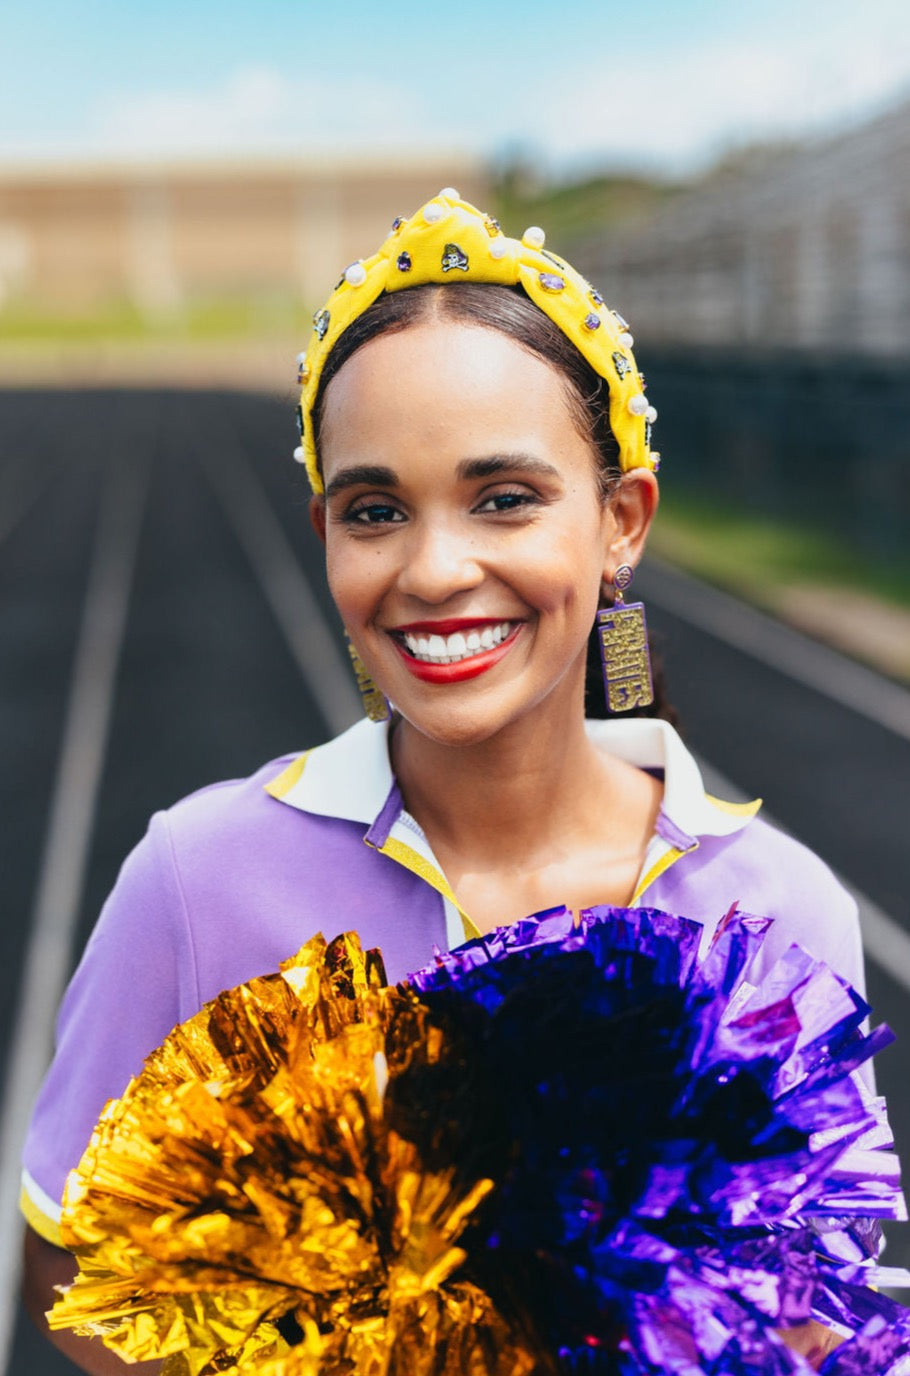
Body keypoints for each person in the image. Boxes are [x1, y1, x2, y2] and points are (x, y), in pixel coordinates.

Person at [21, 189, 862, 1372]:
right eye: (376, 510)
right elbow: (73, 1258)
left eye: (503, 497)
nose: (434, 566)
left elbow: (813, 1308)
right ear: (326, 537)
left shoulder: (782, 911)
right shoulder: (195, 877)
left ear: (621, 520)